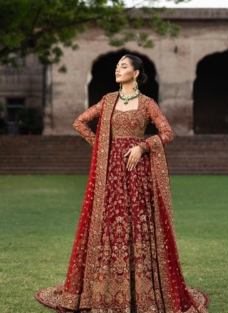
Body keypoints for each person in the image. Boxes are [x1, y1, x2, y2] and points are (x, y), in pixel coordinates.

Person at [35, 54, 210, 313]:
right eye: (117, 66)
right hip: (109, 173)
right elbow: (79, 122)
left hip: (137, 174)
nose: (118, 69)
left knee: (137, 224)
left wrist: (142, 146)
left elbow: (167, 133)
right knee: (109, 223)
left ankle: (140, 291)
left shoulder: (147, 103)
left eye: (124, 66)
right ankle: (104, 289)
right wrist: (101, 147)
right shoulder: (107, 101)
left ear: (136, 73)